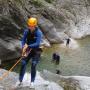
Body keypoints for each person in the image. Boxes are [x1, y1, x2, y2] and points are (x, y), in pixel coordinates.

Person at [19, 17, 43, 88]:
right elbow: (23, 40)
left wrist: (28, 46)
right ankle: (20, 81)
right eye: (29, 26)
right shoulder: (26, 31)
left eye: (32, 26)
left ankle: (32, 82)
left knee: (33, 64)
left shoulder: (39, 33)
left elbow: (37, 43)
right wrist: (23, 46)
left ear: (35, 25)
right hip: (28, 49)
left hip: (36, 50)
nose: (30, 27)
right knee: (23, 63)